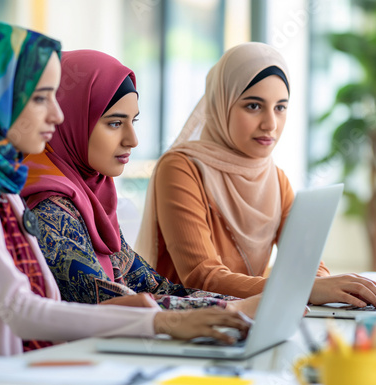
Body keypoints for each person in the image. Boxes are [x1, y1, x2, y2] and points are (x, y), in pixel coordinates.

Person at [0, 23, 250, 362]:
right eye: (39, 98)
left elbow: (50, 299)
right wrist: (160, 321)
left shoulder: (1, 181)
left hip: (8, 368)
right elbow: (20, 308)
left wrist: (166, 313)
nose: (57, 114)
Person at [135, 42, 376, 310]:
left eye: (280, 107)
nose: (270, 124)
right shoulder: (180, 168)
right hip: (185, 327)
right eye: (254, 106)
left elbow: (308, 264)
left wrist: (335, 290)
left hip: (246, 319)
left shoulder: (275, 179)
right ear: (222, 104)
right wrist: (304, 289)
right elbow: (201, 276)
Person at [21, 50, 262, 318]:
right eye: (114, 123)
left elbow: (154, 286)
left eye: (133, 121)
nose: (132, 140)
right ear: (70, 122)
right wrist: (233, 308)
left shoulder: (91, 199)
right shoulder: (46, 208)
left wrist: (255, 301)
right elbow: (111, 302)